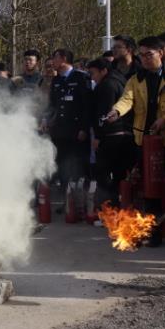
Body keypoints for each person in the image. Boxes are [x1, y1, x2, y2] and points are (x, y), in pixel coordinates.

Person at [105, 36, 165, 247]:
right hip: (144, 142)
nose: (145, 59)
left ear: (161, 54)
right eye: (142, 55)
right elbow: (126, 99)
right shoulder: (136, 79)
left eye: (149, 54)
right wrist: (116, 111)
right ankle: (153, 232)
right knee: (149, 188)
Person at [87, 57, 134, 211]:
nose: (92, 78)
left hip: (111, 135)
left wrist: (98, 136)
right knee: (119, 173)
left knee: (103, 172)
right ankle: (118, 207)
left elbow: (105, 113)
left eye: (93, 73)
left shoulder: (106, 86)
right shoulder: (121, 81)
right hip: (124, 134)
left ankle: (109, 207)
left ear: (103, 71)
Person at [46, 49, 92, 196]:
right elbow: (52, 104)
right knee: (61, 162)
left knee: (77, 164)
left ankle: (78, 197)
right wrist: (46, 120)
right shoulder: (56, 80)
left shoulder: (81, 77)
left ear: (64, 59)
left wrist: (84, 128)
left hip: (76, 131)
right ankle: (64, 196)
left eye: (55, 58)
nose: (52, 62)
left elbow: (87, 106)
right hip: (59, 131)